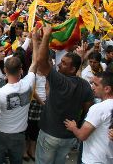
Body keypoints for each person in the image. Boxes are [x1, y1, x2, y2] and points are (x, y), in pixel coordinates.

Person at [35, 25, 94, 164]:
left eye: (64, 64)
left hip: (50, 136)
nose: (59, 65)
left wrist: (46, 36)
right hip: (69, 137)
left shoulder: (59, 81)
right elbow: (88, 110)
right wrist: (77, 127)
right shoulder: (85, 85)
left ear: (73, 69)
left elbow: (41, 61)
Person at [0, 53, 36, 164]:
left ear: (5, 70)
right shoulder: (29, 83)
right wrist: (35, 41)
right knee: (16, 161)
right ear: (21, 70)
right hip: (18, 134)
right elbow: (35, 63)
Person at [64, 71, 113, 164]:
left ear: (107, 89)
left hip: (94, 159)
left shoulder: (98, 108)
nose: (92, 87)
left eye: (95, 84)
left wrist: (73, 127)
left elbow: (82, 135)